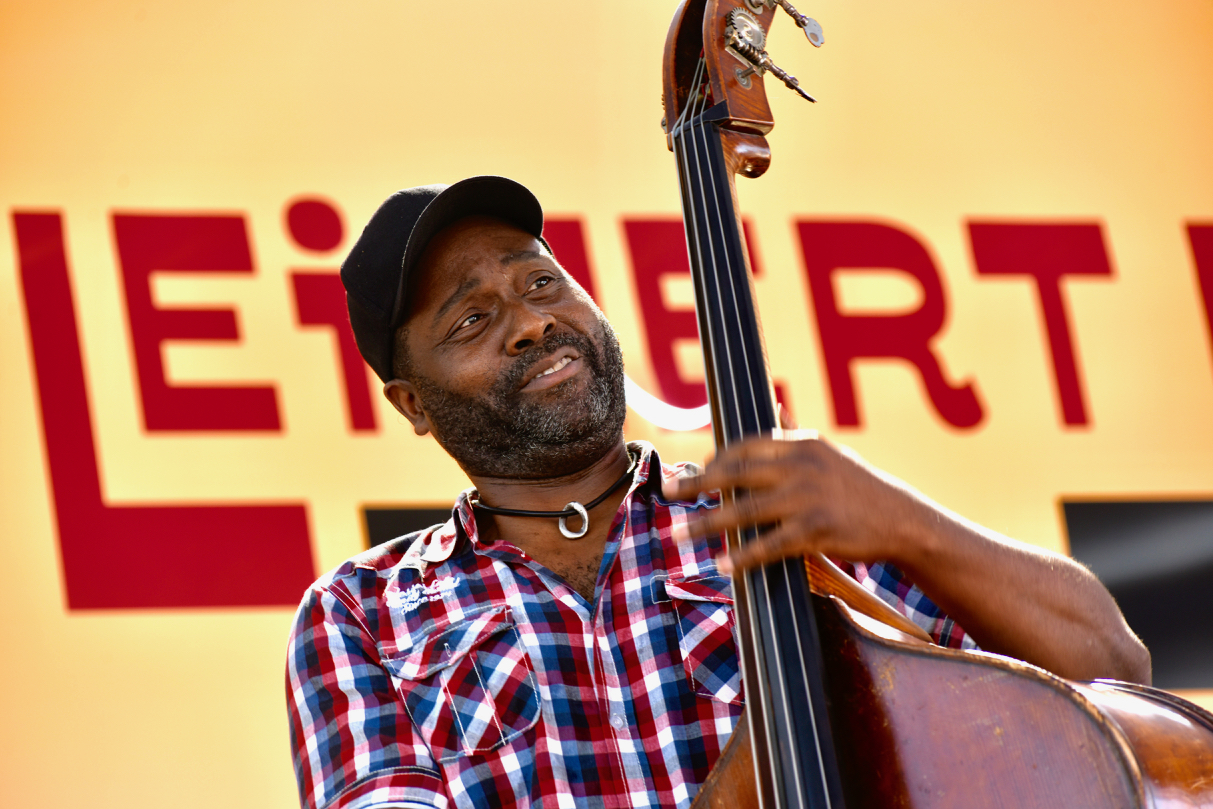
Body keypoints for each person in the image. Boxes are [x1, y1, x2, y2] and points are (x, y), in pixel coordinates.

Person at [285, 176, 1150, 809]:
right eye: (470, 320)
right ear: (412, 403)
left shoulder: (780, 510)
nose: (531, 321)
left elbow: (1106, 673)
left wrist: (902, 522)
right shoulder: (362, 613)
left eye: (540, 281)